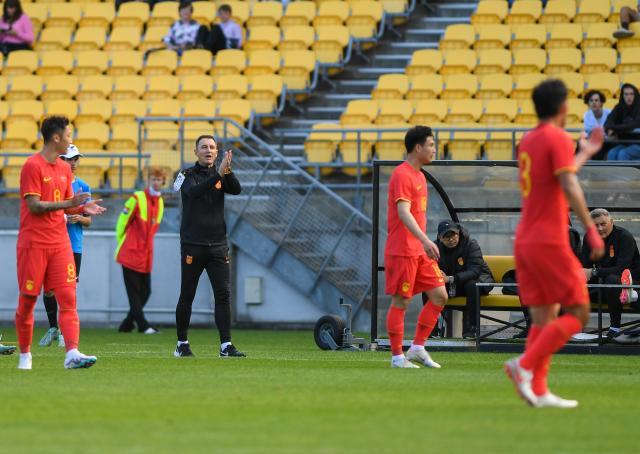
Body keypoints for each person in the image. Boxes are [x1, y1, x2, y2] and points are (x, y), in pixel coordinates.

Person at [504, 79, 605, 408]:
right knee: (579, 311)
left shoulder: (529, 140)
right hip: (550, 238)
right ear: (563, 107)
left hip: (526, 238)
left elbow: (557, 177)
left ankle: (540, 389)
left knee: (544, 317)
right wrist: (590, 229)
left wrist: (585, 153)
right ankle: (524, 365)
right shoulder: (557, 137)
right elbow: (569, 185)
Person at [15, 116, 106, 370]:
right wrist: (69, 203)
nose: (70, 140)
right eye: (68, 136)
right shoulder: (32, 166)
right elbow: (34, 206)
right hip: (33, 244)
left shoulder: (65, 169)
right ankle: (25, 355)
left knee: (68, 298)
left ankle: (72, 353)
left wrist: (83, 207)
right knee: (28, 301)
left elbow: (66, 207)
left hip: (60, 244)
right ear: (56, 138)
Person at [384, 126, 448, 369]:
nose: (434, 149)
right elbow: (403, 212)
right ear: (418, 147)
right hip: (403, 250)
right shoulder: (402, 174)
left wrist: (423, 243)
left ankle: (418, 347)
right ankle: (397, 357)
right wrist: (426, 240)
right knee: (401, 301)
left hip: (419, 250)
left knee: (440, 296)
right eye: (431, 144)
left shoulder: (420, 176)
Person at [174, 135, 244, 358]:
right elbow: (193, 193)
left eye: (212, 147)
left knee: (223, 295)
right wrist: (218, 174)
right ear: (195, 152)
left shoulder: (221, 174)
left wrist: (227, 171)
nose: (208, 150)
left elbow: (237, 189)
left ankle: (226, 346)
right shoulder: (187, 175)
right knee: (187, 295)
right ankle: (182, 344)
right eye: (204, 147)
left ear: (216, 152)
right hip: (193, 245)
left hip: (218, 246)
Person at [39, 144, 92, 348]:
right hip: (51, 242)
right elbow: (42, 211)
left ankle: (63, 332)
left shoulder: (84, 186)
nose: (73, 163)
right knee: (48, 289)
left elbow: (88, 221)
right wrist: (62, 216)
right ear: (60, 160)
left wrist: (79, 218)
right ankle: (54, 328)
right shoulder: (51, 184)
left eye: (76, 159)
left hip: (73, 245)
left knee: (68, 290)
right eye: (69, 158)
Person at [115, 167, 166, 335]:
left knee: (145, 291)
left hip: (145, 254)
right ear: (148, 181)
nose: (156, 182)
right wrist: (123, 242)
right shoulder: (137, 197)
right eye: (153, 179)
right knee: (135, 293)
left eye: (159, 179)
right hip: (130, 252)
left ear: (163, 182)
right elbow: (122, 221)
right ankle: (143, 325)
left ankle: (127, 324)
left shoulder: (160, 202)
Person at [580, 208, 640, 339]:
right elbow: (585, 267)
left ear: (611, 222)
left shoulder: (624, 236)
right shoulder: (589, 238)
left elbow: (622, 269)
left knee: (611, 280)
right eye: (596, 225)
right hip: (604, 283)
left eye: (603, 224)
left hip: (631, 281)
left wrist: (594, 272)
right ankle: (572, 328)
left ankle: (614, 327)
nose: (600, 228)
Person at [434, 220, 493, 339]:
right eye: (446, 237)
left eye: (454, 235)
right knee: (430, 289)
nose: (451, 239)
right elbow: (428, 266)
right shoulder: (434, 248)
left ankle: (471, 330)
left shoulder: (470, 244)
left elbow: (475, 271)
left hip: (479, 281)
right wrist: (436, 274)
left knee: (471, 285)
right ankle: (431, 330)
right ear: (440, 238)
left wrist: (450, 278)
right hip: (453, 284)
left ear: (459, 233)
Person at [605, 84, 640, 161]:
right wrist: (610, 129)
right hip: (625, 143)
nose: (629, 97)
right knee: (611, 153)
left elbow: (634, 124)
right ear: (622, 95)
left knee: (623, 153)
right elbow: (607, 123)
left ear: (636, 95)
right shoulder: (619, 107)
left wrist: (615, 129)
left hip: (638, 143)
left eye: (631, 94)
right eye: (626, 94)